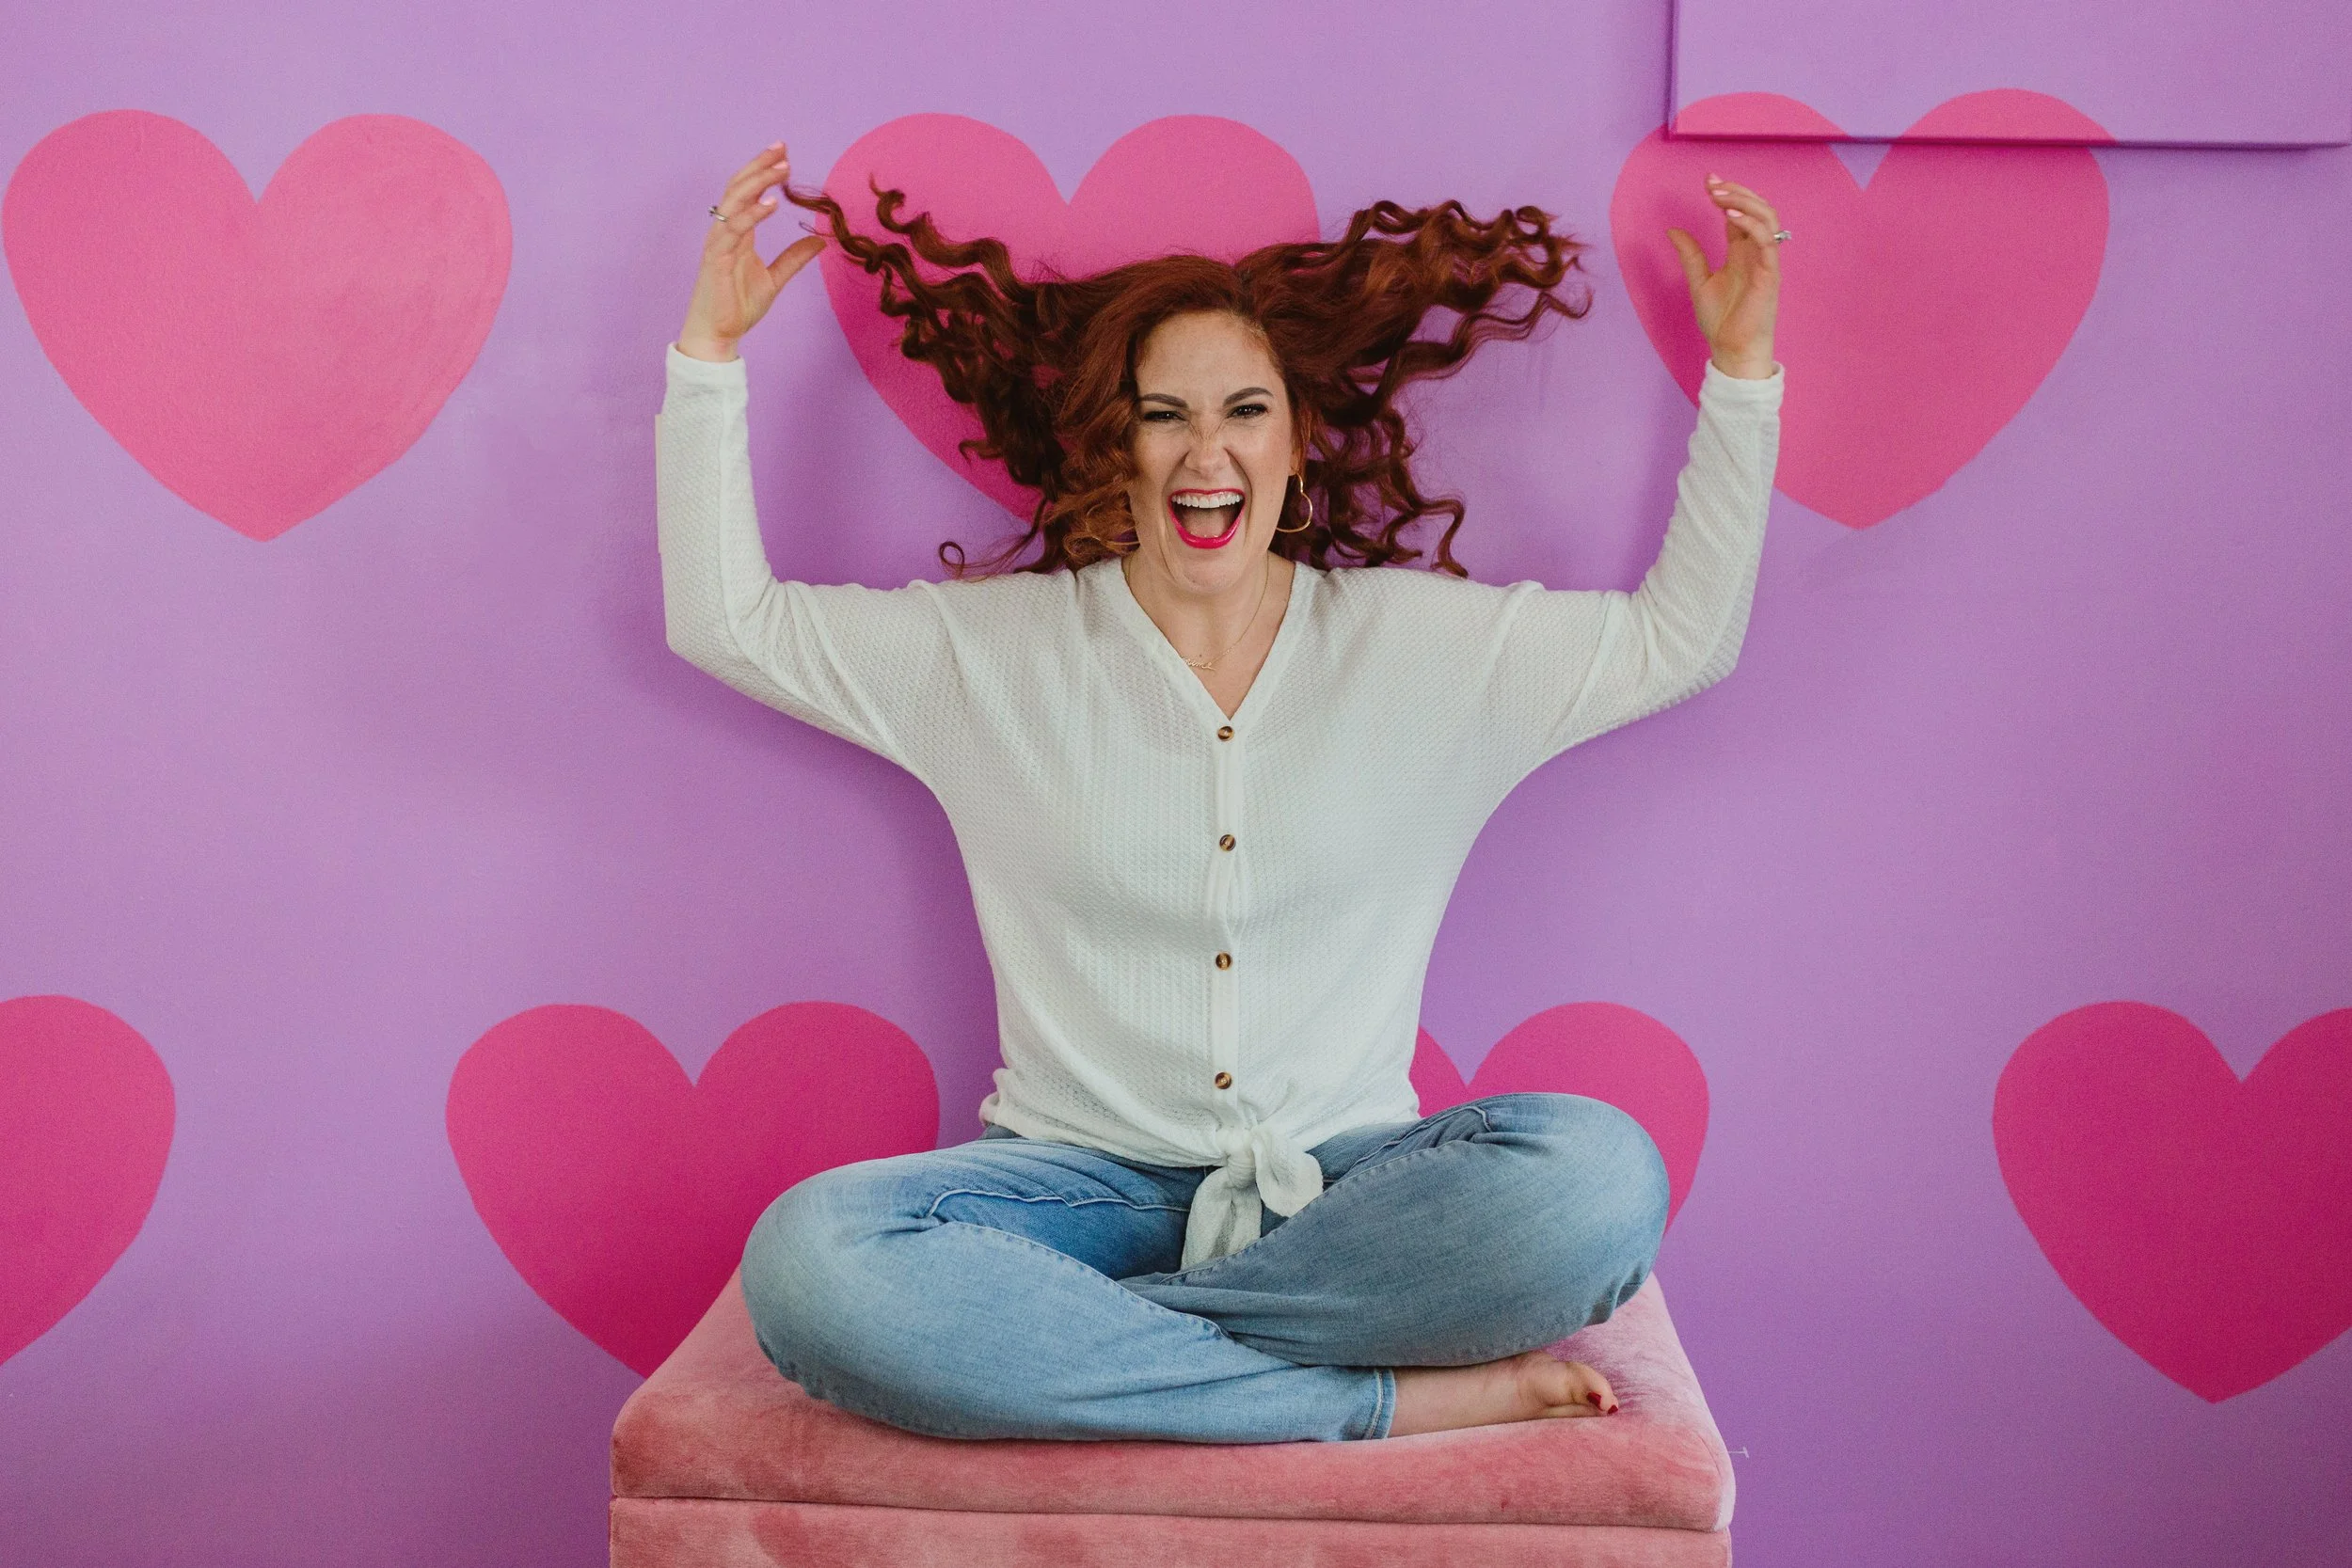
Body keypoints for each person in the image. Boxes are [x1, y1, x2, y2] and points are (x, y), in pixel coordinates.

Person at [659, 139, 1785, 1443]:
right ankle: (1362, 1400)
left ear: (1298, 446)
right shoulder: (993, 654)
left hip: (1353, 1193)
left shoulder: (1424, 649)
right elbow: (728, 623)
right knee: (813, 1261)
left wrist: (1744, 375)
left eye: (1246, 409)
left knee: (1598, 1178)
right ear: (1116, 450)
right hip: (1070, 1187)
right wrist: (709, 359)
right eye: (1164, 412)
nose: (1209, 448)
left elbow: (1676, 641)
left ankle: (1086, 1340)